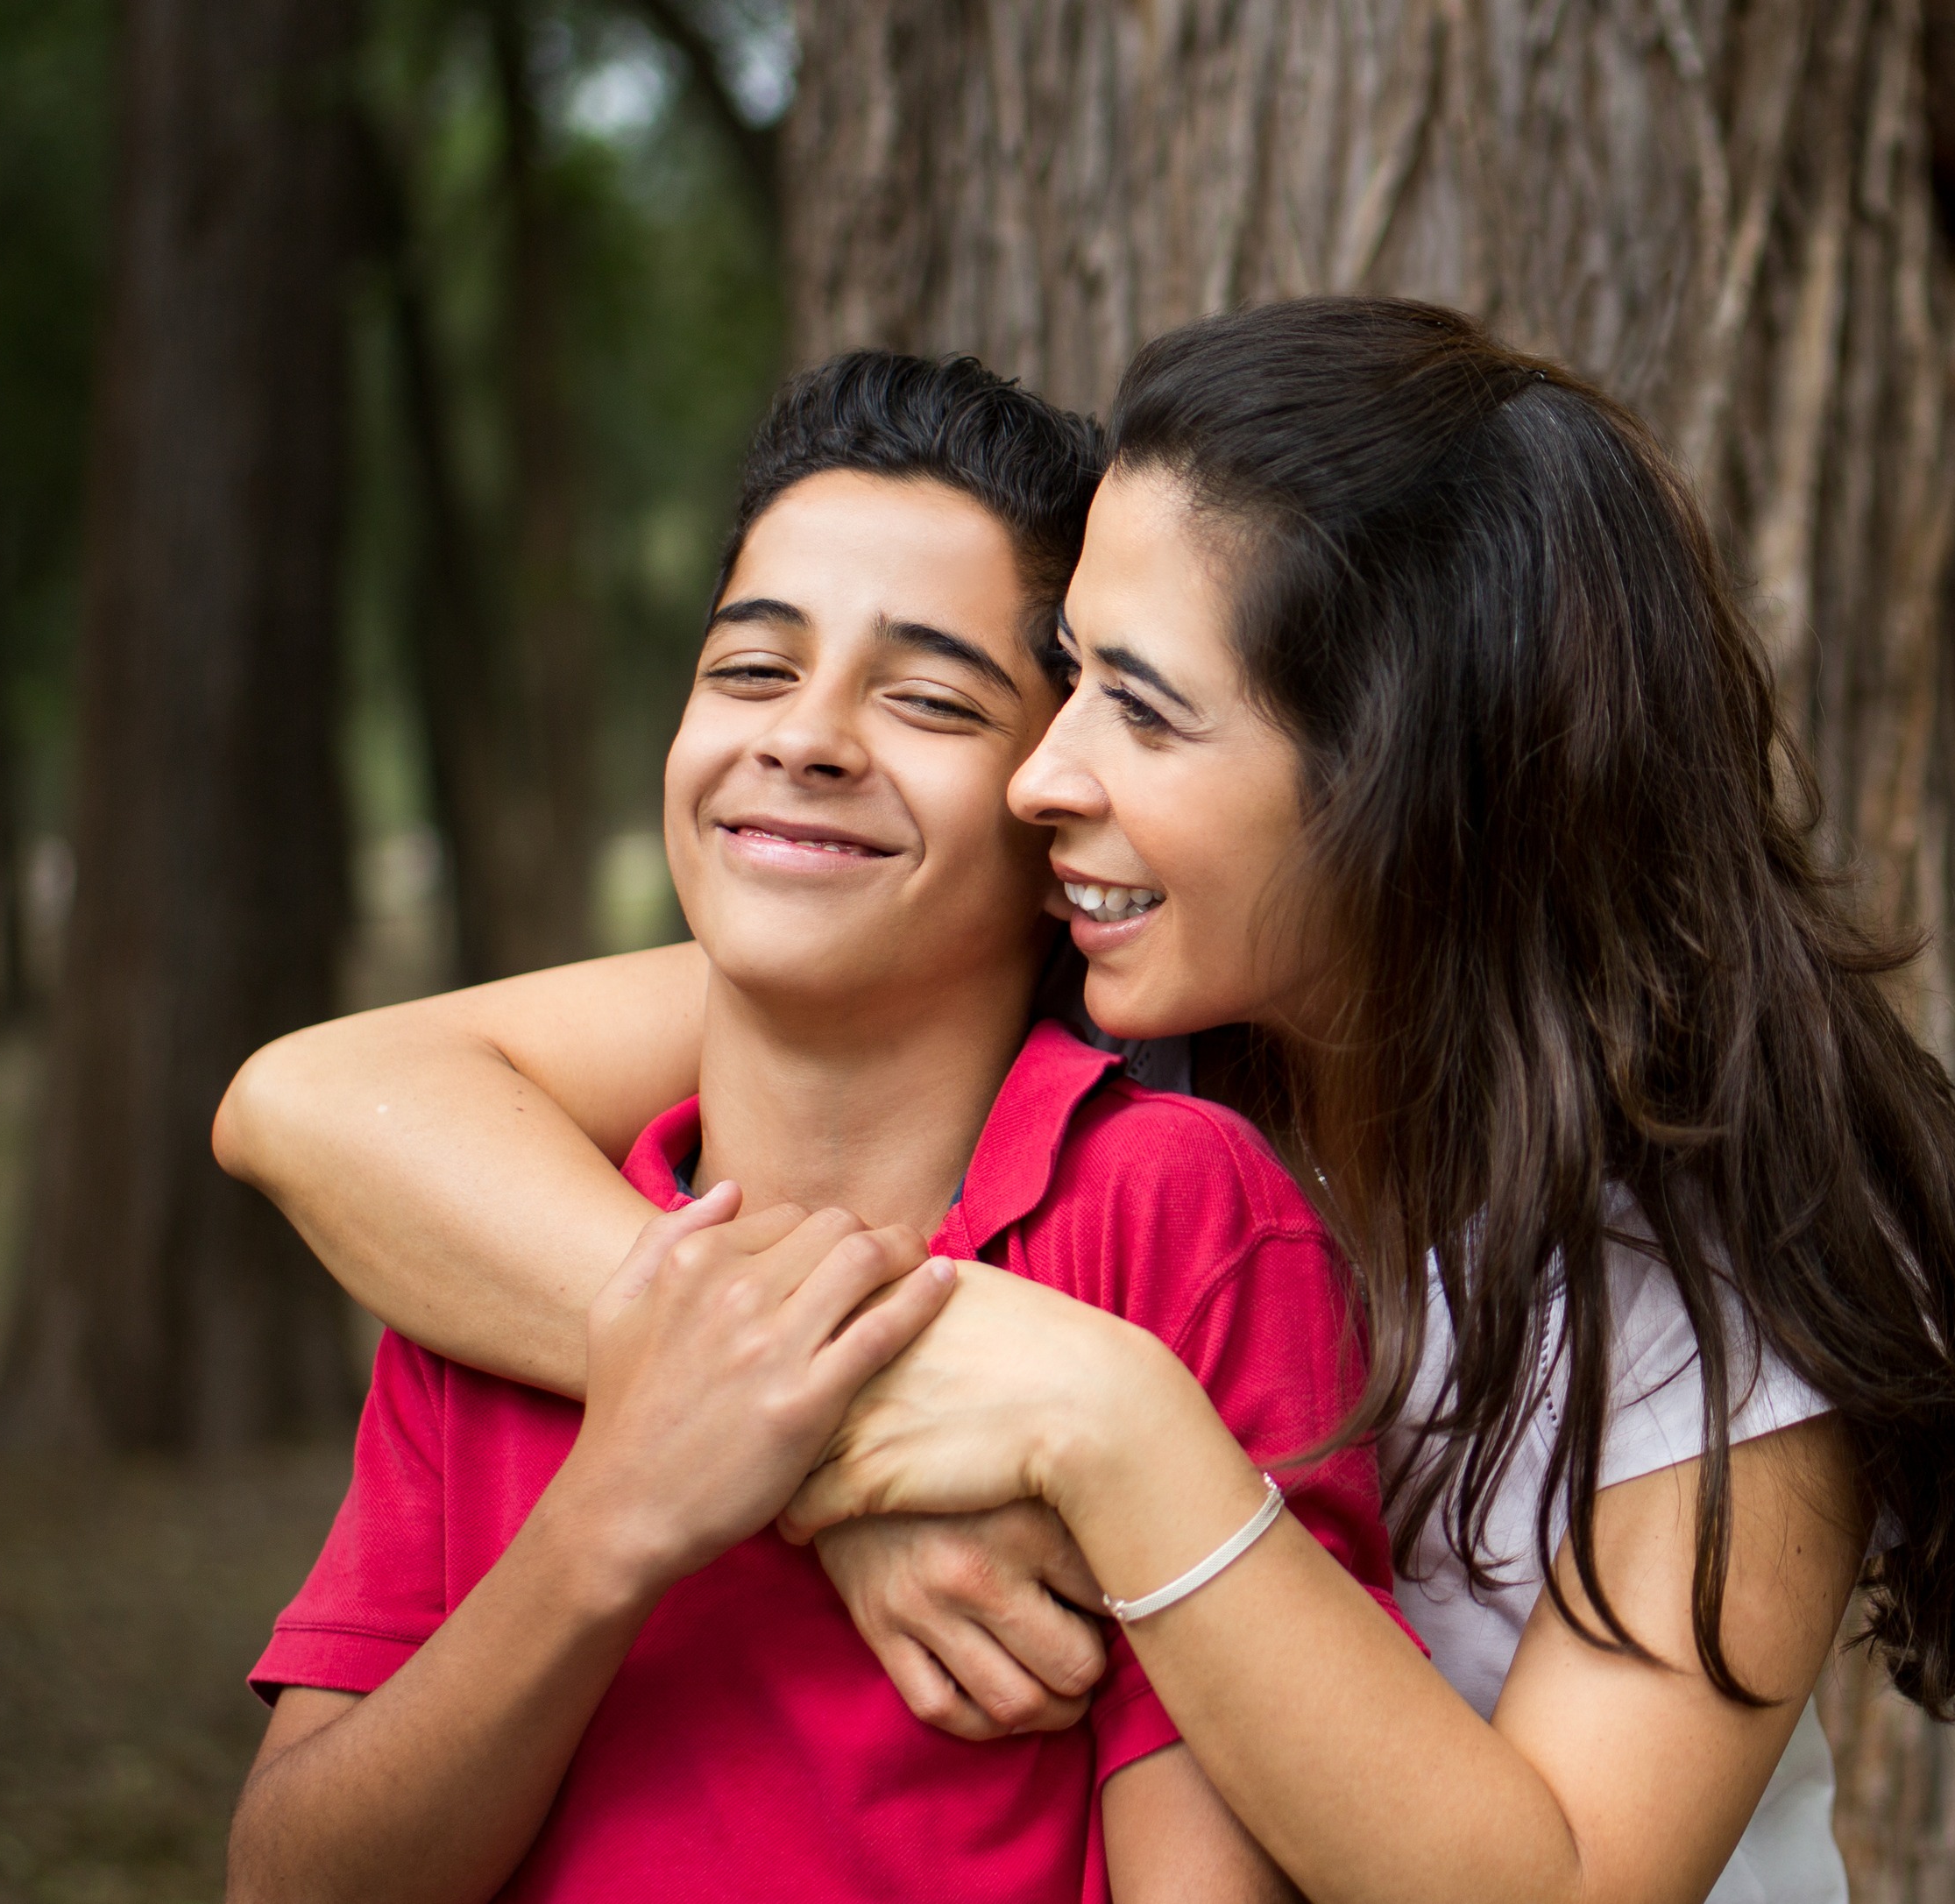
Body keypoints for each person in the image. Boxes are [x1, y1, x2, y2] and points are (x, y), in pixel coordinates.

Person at [218, 298, 1955, 1904]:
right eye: (1061, 686)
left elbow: (1559, 1886)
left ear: (1398, 786)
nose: (1046, 775)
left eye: (1140, 705)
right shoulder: (1089, 1000)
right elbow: (329, 1099)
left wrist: (1114, 1431)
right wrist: (796, 1442)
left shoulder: (1713, 1287)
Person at [224, 352, 1397, 1904]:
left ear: (1052, 794)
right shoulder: (501, 1251)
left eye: (926, 697)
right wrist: (619, 1514)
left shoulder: (1168, 1216)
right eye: (751, 669)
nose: (808, 735)